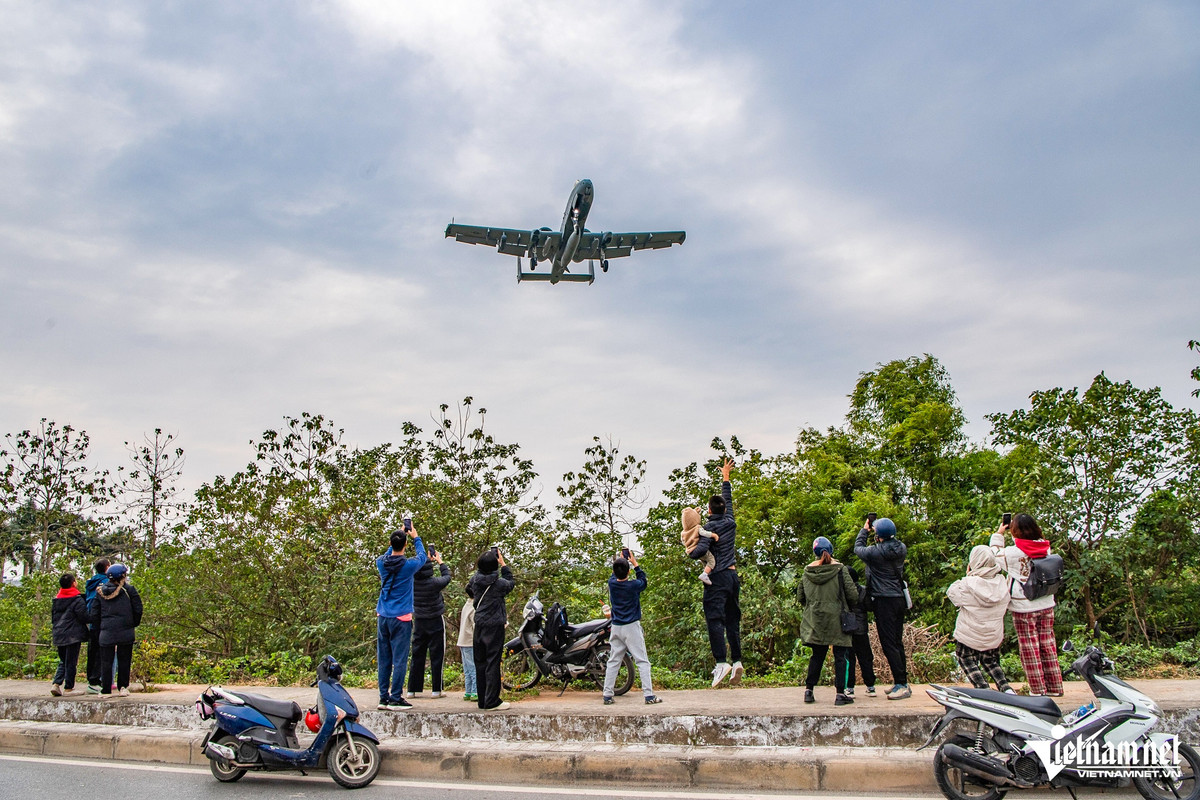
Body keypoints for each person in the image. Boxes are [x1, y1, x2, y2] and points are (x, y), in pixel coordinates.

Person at [991, 513, 1063, 696]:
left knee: (1029, 647)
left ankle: (1038, 690)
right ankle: (1055, 686)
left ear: (1014, 531)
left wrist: (999, 534)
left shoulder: (1013, 553)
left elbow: (994, 555)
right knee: (1048, 644)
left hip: (1024, 606)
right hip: (1046, 601)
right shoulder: (1045, 547)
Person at [688, 458, 743, 687]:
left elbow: (699, 551)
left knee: (714, 620)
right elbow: (727, 501)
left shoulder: (708, 529)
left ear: (709, 511)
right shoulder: (730, 521)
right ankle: (737, 661)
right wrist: (726, 477)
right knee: (732, 619)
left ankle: (721, 663)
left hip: (717, 577)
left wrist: (691, 550)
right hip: (732, 576)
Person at [854, 516, 910, 700]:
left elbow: (858, 548)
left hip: (883, 600)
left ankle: (901, 684)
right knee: (897, 641)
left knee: (888, 644)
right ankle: (902, 682)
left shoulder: (875, 553)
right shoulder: (901, 548)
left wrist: (865, 530)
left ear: (878, 535)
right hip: (898, 599)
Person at [799, 537, 858, 706]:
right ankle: (840, 694)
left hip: (815, 619)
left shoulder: (807, 571)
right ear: (831, 550)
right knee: (840, 656)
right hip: (837, 619)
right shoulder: (840, 569)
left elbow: (800, 597)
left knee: (817, 656)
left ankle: (809, 691)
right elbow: (852, 595)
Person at [947, 545, 1014, 694]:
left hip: (969, 636)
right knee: (991, 661)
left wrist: (968, 576)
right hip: (993, 636)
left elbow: (952, 593)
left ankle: (982, 688)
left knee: (965, 658)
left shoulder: (967, 584)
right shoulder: (1002, 583)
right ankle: (1005, 687)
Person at [376, 525, 427, 711]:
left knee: (384, 659)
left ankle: (383, 697)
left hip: (383, 615)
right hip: (401, 618)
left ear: (390, 543)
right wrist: (416, 537)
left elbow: (389, 553)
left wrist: (398, 537)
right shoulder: (409, 566)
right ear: (405, 544)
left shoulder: (381, 563)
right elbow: (422, 557)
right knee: (399, 659)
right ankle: (395, 697)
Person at [602, 552, 661, 705]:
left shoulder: (612, 584)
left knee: (614, 660)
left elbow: (614, 575)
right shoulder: (634, 586)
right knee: (642, 661)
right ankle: (649, 696)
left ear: (614, 572)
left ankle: (607, 695)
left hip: (616, 627)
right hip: (631, 627)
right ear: (628, 572)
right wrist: (635, 563)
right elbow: (643, 580)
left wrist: (620, 561)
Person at [467, 547, 515, 711]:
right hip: (494, 626)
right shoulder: (499, 584)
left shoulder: (475, 580)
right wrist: (504, 565)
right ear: (494, 565)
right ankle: (492, 701)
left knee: (480, 662)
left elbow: (469, 589)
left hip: (479, 624)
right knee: (492, 662)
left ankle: (482, 700)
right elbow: (511, 583)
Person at [88, 564, 143, 697]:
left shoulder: (100, 592)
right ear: (123, 576)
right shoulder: (129, 590)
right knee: (124, 659)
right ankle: (123, 687)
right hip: (125, 630)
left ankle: (106, 689)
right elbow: (138, 609)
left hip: (106, 631)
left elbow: (94, 613)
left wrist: (102, 626)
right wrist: (132, 624)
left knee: (106, 661)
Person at [408, 544, 451, 699]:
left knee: (417, 654)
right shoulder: (434, 583)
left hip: (419, 620)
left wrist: (424, 559)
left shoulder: (412, 583)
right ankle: (436, 689)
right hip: (435, 620)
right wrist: (439, 561)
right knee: (437, 654)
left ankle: (412, 689)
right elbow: (447, 577)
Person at [50, 573, 89, 697]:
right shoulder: (77, 599)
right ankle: (69, 687)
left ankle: (56, 684)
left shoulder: (57, 599)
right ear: (73, 583)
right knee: (71, 661)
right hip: (73, 634)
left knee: (63, 660)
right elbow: (84, 617)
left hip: (59, 633)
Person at [843, 565, 876, 698]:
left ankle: (849, 687)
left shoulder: (843, 593)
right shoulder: (863, 590)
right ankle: (870, 686)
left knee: (849, 659)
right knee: (866, 658)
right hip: (861, 629)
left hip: (847, 629)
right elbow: (869, 607)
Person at [84, 558, 111, 694]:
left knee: (92, 650)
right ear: (107, 567)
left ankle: (91, 679)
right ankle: (96, 679)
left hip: (91, 619)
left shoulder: (90, 583)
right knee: (102, 651)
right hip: (102, 619)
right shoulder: (107, 583)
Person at [680, 506, 718, 585]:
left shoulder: (683, 532)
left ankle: (707, 574)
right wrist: (713, 535)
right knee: (711, 560)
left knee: (705, 561)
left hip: (690, 551)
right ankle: (704, 575)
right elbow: (705, 533)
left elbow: (683, 542)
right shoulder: (697, 528)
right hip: (698, 548)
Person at [457, 584, 477, 702]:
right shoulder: (474, 608)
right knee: (474, 667)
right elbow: (475, 626)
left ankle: (468, 691)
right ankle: (475, 691)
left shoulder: (467, 604)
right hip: (470, 641)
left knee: (467, 668)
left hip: (462, 641)